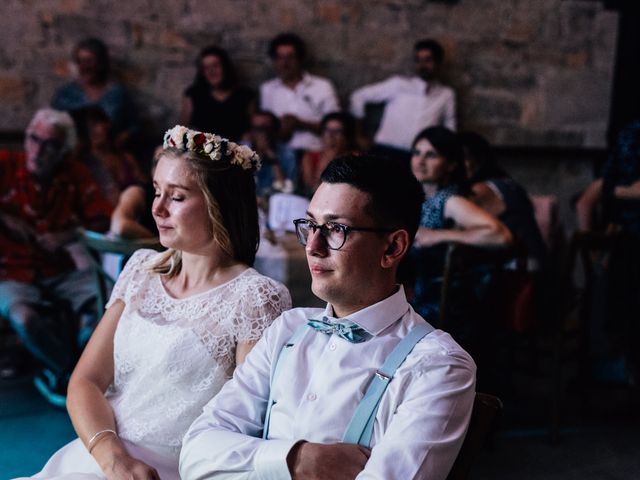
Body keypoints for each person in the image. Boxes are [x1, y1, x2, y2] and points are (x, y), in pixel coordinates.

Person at [179, 154, 476, 480]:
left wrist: (246, 462)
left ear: (392, 248)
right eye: (310, 225)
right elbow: (195, 454)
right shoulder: (287, 329)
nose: (313, 246)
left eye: (336, 229)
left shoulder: (436, 365)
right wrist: (297, 461)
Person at [23, 125, 292, 479]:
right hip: (101, 458)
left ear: (219, 205)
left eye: (177, 197)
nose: (157, 209)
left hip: (175, 470)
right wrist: (112, 457)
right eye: (156, 192)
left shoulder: (255, 298)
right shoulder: (141, 271)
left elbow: (252, 426)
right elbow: (85, 380)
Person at [0, 108, 113, 407]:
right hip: (12, 271)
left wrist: (66, 236)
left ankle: (78, 370)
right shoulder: (6, 166)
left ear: (62, 150)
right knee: (24, 316)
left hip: (62, 269)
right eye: (34, 139)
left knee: (107, 304)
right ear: (26, 139)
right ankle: (69, 375)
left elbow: (104, 219)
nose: (39, 149)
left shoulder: (74, 174)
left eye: (50, 144)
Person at [408, 127, 511, 323]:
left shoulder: (449, 200)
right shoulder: (421, 198)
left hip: (436, 305)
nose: (420, 161)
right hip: (416, 296)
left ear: (451, 165)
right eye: (416, 153)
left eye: (431, 155)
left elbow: (501, 235)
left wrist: (438, 235)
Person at [350, 39, 456, 164]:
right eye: (418, 60)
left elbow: (450, 127)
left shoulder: (446, 94)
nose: (422, 65)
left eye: (428, 60)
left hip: (418, 159)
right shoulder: (398, 85)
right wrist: (359, 135)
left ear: (438, 63)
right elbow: (358, 97)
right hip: (384, 152)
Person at [460, 131, 547, 270]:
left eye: (463, 158)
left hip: (521, 274)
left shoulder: (482, 190)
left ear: (478, 161)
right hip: (526, 266)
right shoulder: (504, 182)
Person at [260, 32, 340, 179]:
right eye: (280, 58)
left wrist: (300, 123)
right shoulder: (268, 89)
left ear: (300, 59)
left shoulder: (322, 86)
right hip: (282, 157)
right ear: (274, 61)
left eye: (290, 57)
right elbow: (266, 129)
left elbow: (338, 128)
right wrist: (282, 131)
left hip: (317, 153)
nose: (285, 63)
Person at [52, 37, 138, 150]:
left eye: (89, 61)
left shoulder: (117, 95)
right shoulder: (65, 95)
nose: (83, 67)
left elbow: (133, 127)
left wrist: (120, 139)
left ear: (101, 63)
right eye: (79, 61)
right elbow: (51, 126)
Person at [179, 45, 255, 142]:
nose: (211, 71)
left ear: (225, 67)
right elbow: (182, 131)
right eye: (206, 68)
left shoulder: (246, 96)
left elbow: (253, 132)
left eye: (215, 65)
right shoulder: (193, 95)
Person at [75, 105, 145, 205]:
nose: (92, 132)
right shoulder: (84, 165)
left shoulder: (126, 158)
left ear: (107, 124)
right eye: (87, 129)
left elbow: (145, 188)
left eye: (95, 124)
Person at [300, 111, 357, 196]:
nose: (331, 135)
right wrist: (325, 163)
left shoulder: (356, 158)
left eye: (337, 131)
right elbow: (311, 189)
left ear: (347, 137)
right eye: (327, 130)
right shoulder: (310, 157)